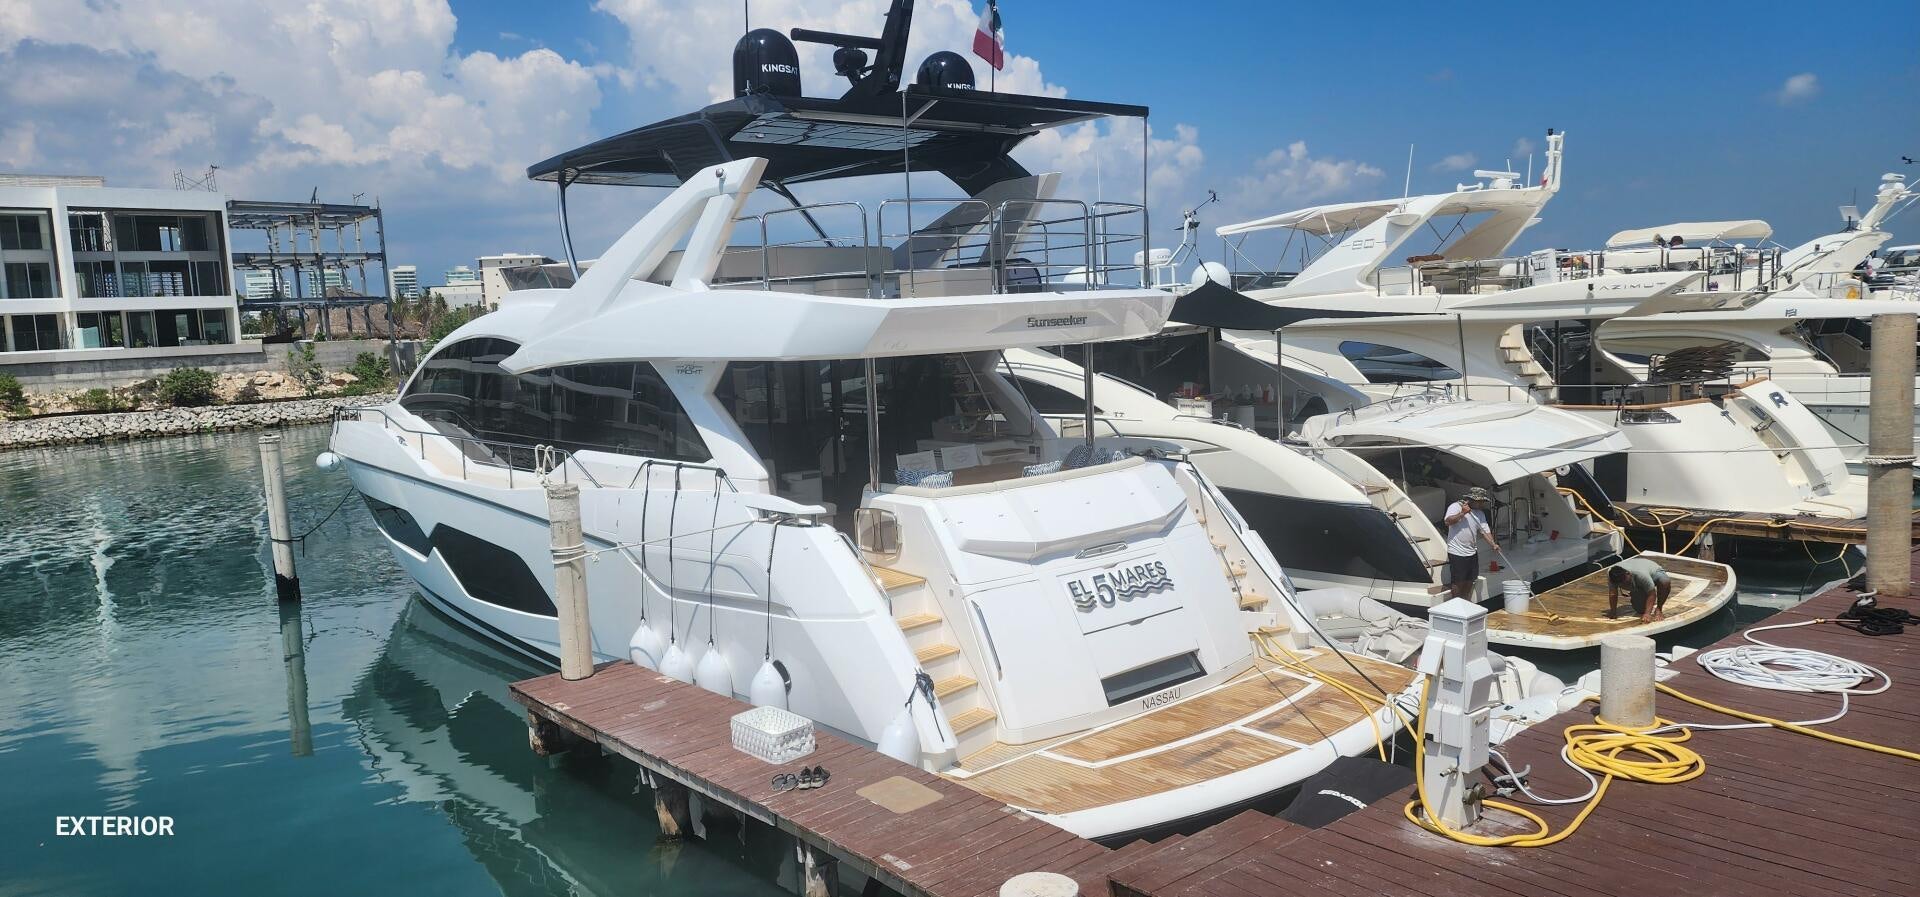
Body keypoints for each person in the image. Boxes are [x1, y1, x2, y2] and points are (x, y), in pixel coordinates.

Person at [1443, 487, 1498, 600]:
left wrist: (1493, 544)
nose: (1482, 504)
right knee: (1459, 582)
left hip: (1472, 552)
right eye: (1480, 501)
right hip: (1457, 552)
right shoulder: (1456, 506)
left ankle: (1465, 601)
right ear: (1472, 500)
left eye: (1483, 501)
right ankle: (1456, 603)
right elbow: (1447, 521)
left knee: (1470, 580)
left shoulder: (1480, 514)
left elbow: (1485, 531)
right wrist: (1462, 513)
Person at [1609, 556, 1672, 623]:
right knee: (1640, 610)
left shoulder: (1641, 574)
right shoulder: (1611, 575)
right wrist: (1613, 611)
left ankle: (1659, 609)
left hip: (1654, 571)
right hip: (1638, 580)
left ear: (1628, 574)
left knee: (1665, 582)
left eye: (1624, 582)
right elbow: (1613, 593)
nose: (1623, 585)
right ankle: (1636, 592)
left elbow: (1652, 594)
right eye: (1620, 584)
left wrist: (1647, 614)